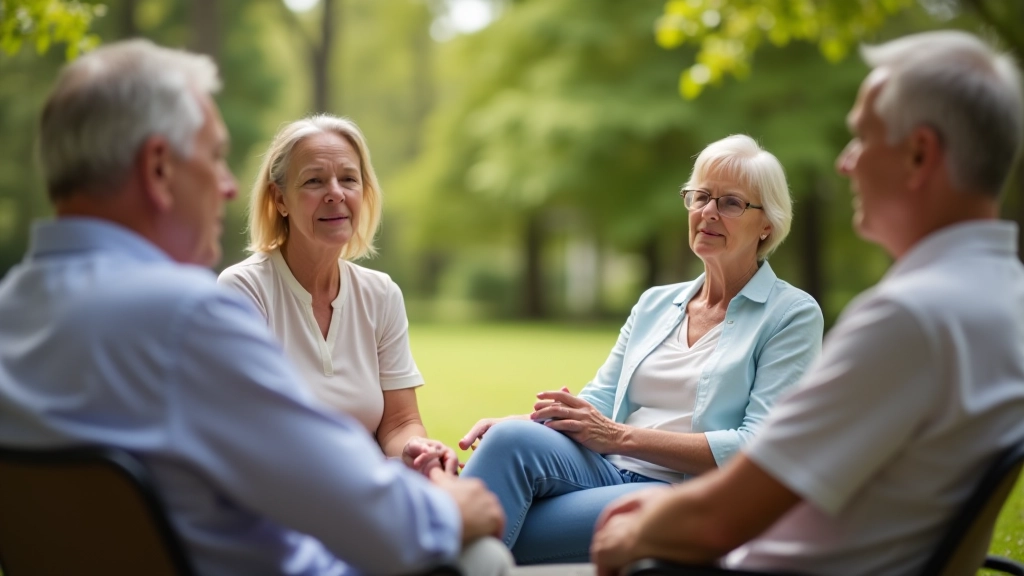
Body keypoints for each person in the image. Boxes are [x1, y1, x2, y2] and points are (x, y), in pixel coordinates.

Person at [0, 39, 512, 576]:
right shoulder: (188, 318)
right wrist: (456, 508)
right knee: (483, 556)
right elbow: (369, 516)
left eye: (348, 179)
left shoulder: (12, 313)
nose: (227, 187)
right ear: (158, 169)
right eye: (215, 157)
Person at [591, 30, 1024, 576]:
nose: (846, 163)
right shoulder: (1004, 296)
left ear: (919, 154)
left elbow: (720, 518)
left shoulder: (909, 318)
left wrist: (636, 530)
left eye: (862, 138)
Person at [458, 135, 825, 564]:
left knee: (496, 524)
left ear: (767, 225)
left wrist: (619, 437)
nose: (708, 212)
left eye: (730, 203)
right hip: (605, 467)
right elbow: (599, 403)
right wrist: (525, 421)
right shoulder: (655, 303)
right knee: (508, 439)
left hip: (679, 495)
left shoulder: (791, 314)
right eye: (701, 196)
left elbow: (756, 448)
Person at [218, 116, 457, 476]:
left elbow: (400, 422)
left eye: (348, 179)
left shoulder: (381, 294)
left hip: (371, 490)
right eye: (314, 181)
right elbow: (252, 429)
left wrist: (415, 450)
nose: (336, 193)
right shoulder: (243, 290)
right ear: (280, 199)